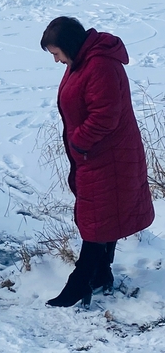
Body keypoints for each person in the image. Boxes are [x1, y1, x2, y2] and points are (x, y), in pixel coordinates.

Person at [40, 16, 154, 308]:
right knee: (105, 215)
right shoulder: (84, 61)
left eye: (56, 53)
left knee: (97, 219)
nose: (56, 61)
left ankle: (80, 281)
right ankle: (102, 273)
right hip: (101, 154)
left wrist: (79, 141)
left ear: (69, 46)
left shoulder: (99, 65)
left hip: (108, 156)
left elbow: (105, 116)